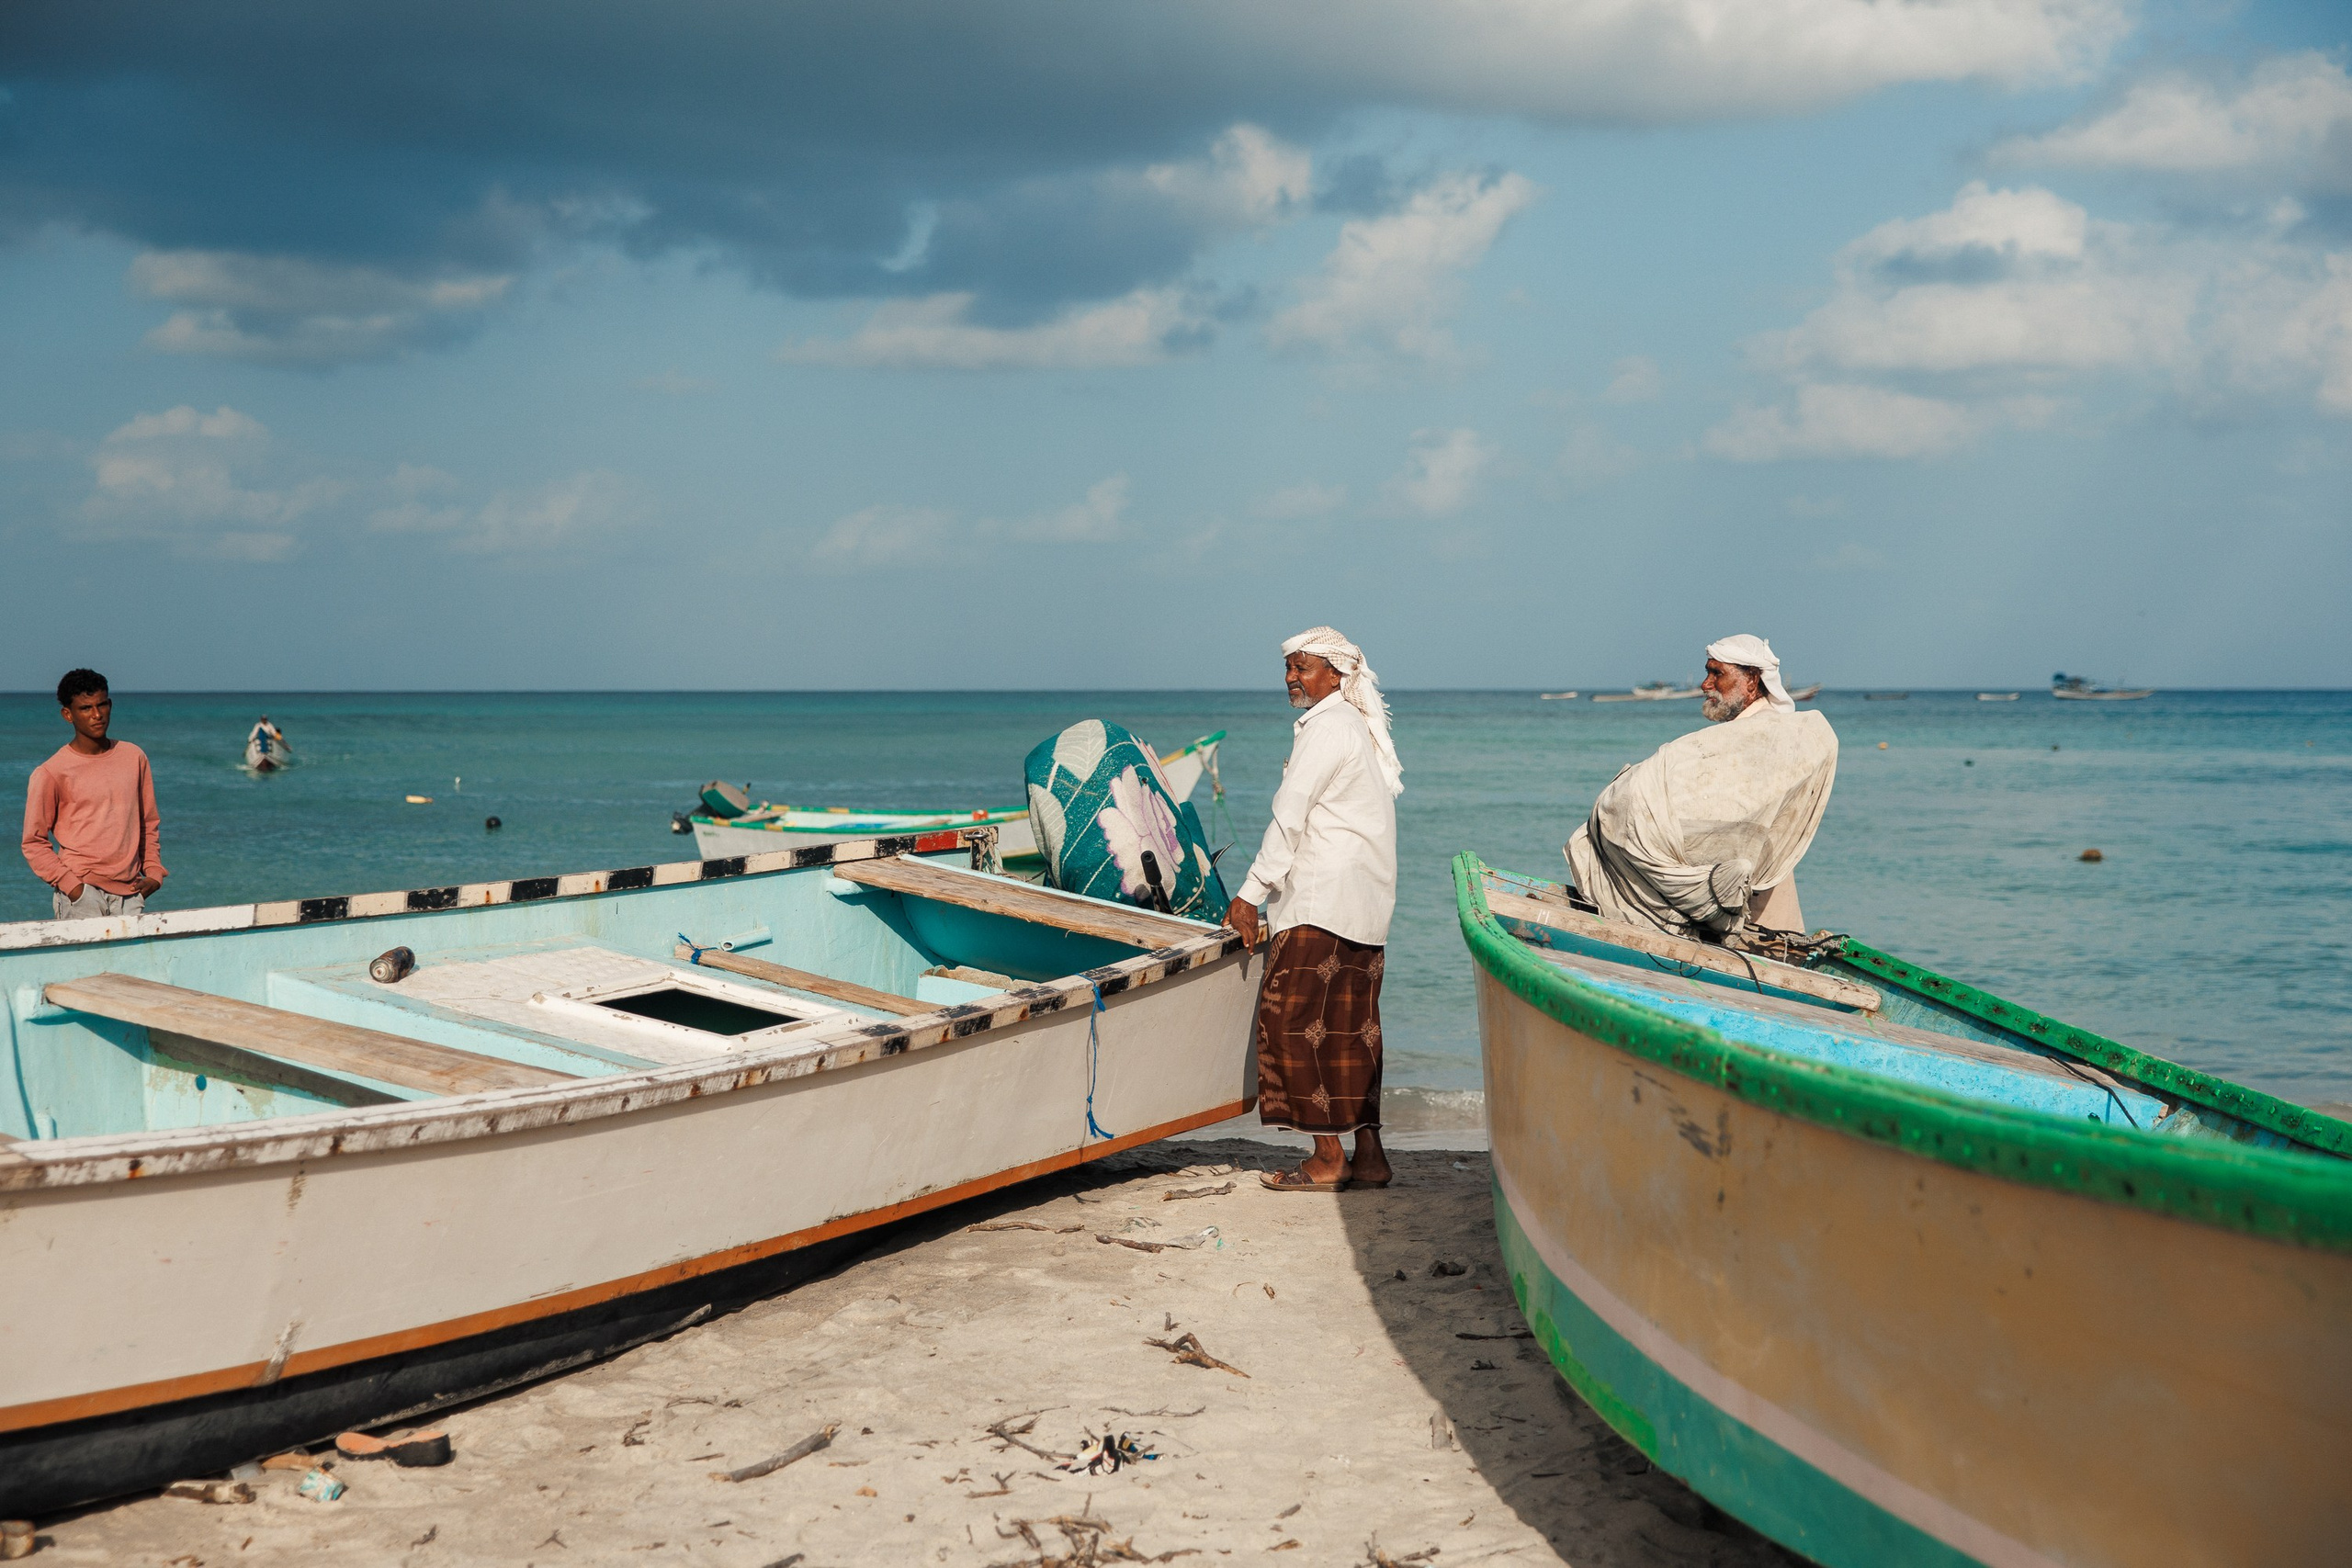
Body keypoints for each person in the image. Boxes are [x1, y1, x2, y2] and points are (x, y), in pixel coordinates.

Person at [1227, 626, 1402, 1192]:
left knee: (1289, 1026)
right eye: (1289, 668)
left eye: (1302, 668)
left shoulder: (1327, 729)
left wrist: (1250, 893)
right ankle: (1370, 1159)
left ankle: (1328, 1158)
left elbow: (1289, 816)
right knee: (1353, 1035)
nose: (1291, 679)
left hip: (1321, 903)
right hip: (1365, 906)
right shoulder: (1353, 729)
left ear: (1335, 674)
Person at [1565, 634, 1836, 941]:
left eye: (1717, 673)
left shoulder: (1768, 736)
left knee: (1771, 955)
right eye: (1708, 673)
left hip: (1759, 897)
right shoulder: (1746, 734)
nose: (1706, 684)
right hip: (1744, 889)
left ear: (1751, 681)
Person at [21, 669, 166, 919]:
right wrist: (74, 888)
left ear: (110, 704)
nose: (97, 715)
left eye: (102, 705)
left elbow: (148, 823)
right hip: (81, 895)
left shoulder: (134, 757)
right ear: (68, 714)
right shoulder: (51, 772)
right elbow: (34, 842)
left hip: (131, 893)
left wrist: (153, 873)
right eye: (86, 708)